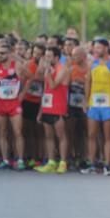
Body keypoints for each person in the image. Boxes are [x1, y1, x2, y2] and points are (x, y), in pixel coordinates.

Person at [82, 38, 110, 175]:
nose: (96, 50)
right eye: (95, 48)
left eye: (99, 47)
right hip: (94, 105)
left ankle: (108, 165)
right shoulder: (92, 64)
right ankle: (92, 163)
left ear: (106, 48)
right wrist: (86, 100)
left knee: (108, 137)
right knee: (91, 135)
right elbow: (88, 83)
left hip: (109, 105)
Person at [0, 43, 27, 170]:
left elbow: (29, 77)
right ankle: (5, 159)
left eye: (3, 53)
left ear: (9, 54)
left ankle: (20, 160)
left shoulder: (16, 65)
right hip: (0, 103)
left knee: (17, 132)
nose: (0, 55)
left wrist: (22, 94)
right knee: (2, 132)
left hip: (14, 103)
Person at [35, 46, 70, 174]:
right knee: (48, 136)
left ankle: (63, 162)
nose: (47, 59)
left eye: (50, 56)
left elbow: (54, 85)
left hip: (58, 107)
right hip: (47, 106)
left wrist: (48, 72)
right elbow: (45, 89)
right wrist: (40, 110)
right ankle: (51, 162)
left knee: (61, 136)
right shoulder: (49, 69)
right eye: (46, 56)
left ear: (56, 57)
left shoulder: (62, 69)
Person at [21, 43, 46, 167]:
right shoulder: (27, 64)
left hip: (40, 102)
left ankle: (40, 157)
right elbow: (27, 78)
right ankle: (28, 157)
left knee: (39, 132)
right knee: (27, 130)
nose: (36, 55)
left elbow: (42, 79)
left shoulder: (46, 66)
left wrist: (41, 68)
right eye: (34, 53)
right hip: (27, 100)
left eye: (39, 54)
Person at [66, 46, 89, 166]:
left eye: (76, 55)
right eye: (72, 55)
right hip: (72, 105)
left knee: (85, 132)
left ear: (83, 56)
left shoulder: (90, 69)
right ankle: (72, 156)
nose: (73, 58)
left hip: (85, 105)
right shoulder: (71, 69)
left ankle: (85, 157)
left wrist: (84, 82)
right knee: (71, 131)